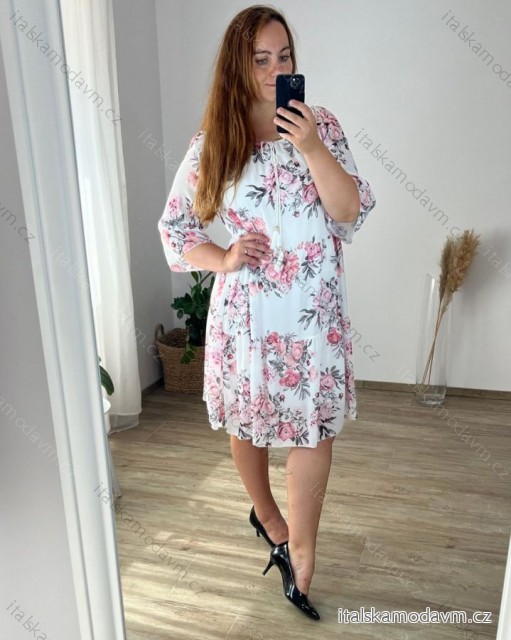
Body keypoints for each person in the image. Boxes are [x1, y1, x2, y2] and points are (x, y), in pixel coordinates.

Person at [157, 4, 376, 620]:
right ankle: (273, 522)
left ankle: (302, 554)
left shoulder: (320, 124)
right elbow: (176, 227)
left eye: (284, 57)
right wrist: (224, 258)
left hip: (313, 313)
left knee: (314, 429)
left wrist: (311, 147)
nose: (276, 69)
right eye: (261, 59)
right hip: (248, 317)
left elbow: (349, 211)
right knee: (247, 425)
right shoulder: (215, 141)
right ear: (238, 65)